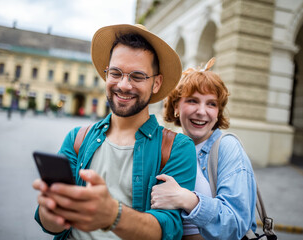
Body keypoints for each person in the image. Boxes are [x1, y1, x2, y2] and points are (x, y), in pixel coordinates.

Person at [32, 24, 197, 240]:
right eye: (116, 73)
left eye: (137, 76)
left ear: (156, 83)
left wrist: (112, 214)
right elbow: (52, 227)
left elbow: (168, 230)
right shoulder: (77, 138)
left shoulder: (177, 148)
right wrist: (51, 209)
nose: (124, 85)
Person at [150, 58, 257, 240]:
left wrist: (187, 199)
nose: (202, 111)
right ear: (176, 106)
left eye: (211, 104)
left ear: (218, 112)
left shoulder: (226, 147)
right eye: (193, 101)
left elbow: (237, 224)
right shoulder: (167, 144)